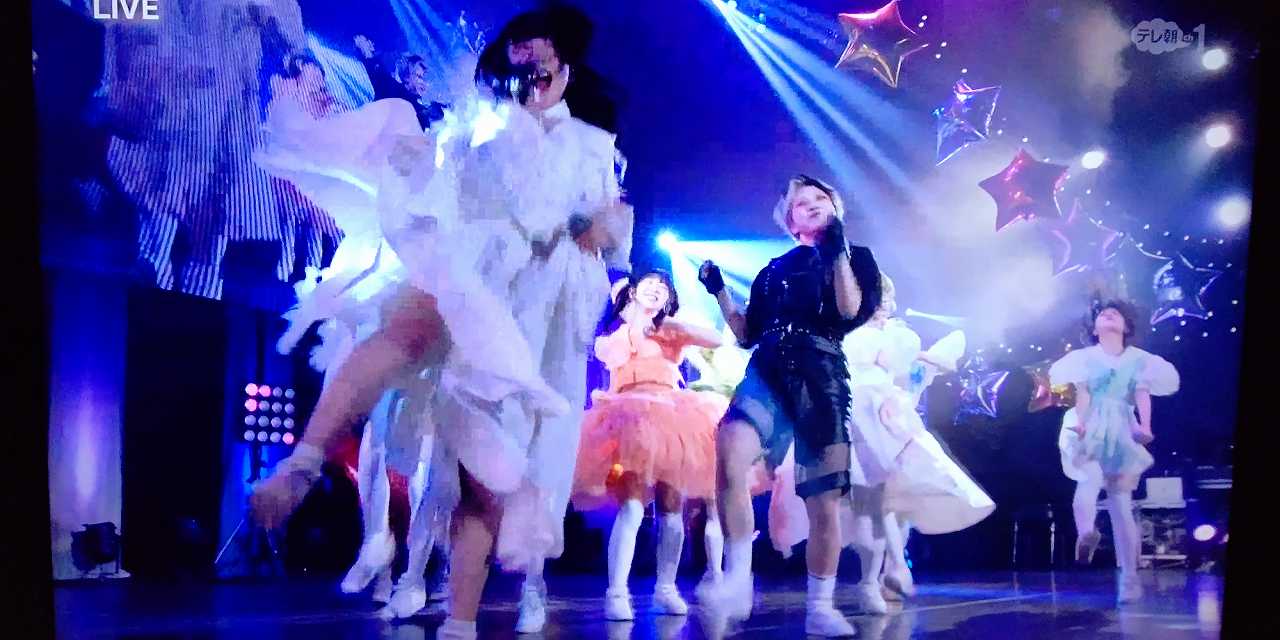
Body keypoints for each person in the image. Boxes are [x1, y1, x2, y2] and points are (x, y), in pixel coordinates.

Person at [249, 5, 632, 639]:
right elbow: (448, 184)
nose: (526, 72)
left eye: (539, 61)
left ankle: (463, 621)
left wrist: (598, 228)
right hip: (472, 259)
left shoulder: (589, 145)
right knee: (407, 325)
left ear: (563, 65)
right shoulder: (479, 127)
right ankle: (303, 465)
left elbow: (607, 231)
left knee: (484, 478)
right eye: (515, 60)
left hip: (534, 303)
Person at [697, 175, 882, 637]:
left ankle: (821, 606)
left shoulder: (857, 257)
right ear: (790, 219)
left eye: (821, 198)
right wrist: (719, 291)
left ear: (835, 207)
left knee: (823, 500)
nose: (813, 204)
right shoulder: (773, 269)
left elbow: (847, 311)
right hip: (768, 370)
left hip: (820, 374)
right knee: (729, 448)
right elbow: (746, 333)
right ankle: (739, 577)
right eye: (802, 202)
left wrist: (836, 249)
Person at [766, 276, 994, 614]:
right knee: (867, 504)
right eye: (877, 296)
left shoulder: (899, 336)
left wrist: (901, 390)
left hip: (883, 417)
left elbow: (908, 372)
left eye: (887, 296)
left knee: (886, 499)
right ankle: (879, 576)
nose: (883, 303)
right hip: (847, 415)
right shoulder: (841, 333)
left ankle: (887, 572)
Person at [570, 270, 726, 620]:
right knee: (632, 507)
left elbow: (716, 339)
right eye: (649, 284)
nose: (656, 289)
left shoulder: (670, 332)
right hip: (631, 419)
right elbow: (611, 356)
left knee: (673, 508)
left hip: (673, 417)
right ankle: (616, 592)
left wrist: (670, 325)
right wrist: (635, 324)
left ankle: (666, 588)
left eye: (663, 288)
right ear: (632, 293)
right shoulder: (617, 335)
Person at [1051, 299, 1179, 604]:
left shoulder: (1140, 360)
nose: (1109, 315)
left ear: (1126, 326)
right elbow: (1083, 395)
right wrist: (1082, 423)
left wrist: (1144, 427)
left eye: (1116, 313)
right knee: (1089, 478)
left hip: (1121, 426)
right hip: (1092, 423)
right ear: (1094, 329)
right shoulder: (1085, 358)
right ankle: (1087, 533)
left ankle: (1130, 579)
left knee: (1121, 503)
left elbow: (1142, 394)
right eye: (1103, 314)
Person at [353, 34, 448, 129]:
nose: (422, 79)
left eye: (420, 76)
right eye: (419, 74)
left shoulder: (413, 103)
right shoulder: (389, 75)